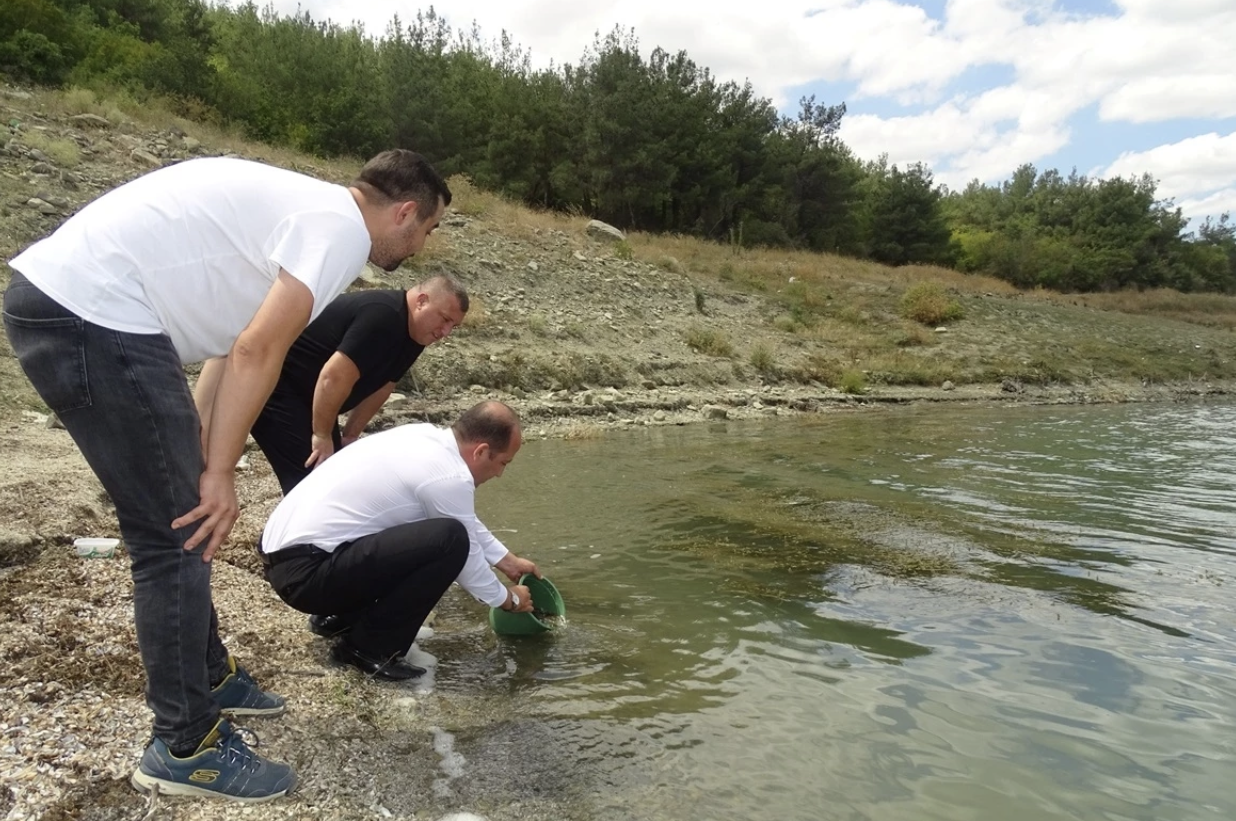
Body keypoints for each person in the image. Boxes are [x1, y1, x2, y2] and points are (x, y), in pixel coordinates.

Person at [2, 149, 450, 802]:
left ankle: (208, 673)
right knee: (179, 531)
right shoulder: (342, 232)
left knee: (184, 511)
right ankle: (186, 744)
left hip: (88, 306)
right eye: (428, 230)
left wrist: (208, 448)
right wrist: (218, 472)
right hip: (94, 313)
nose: (421, 244)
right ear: (404, 211)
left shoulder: (309, 211)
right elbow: (255, 350)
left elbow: (230, 341)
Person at [260, 400, 540, 681]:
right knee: (450, 541)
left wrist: (506, 561)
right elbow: (462, 547)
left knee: (444, 533)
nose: (500, 474)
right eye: (503, 462)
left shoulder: (423, 437)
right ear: (481, 451)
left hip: (284, 557)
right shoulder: (449, 477)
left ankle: (340, 619)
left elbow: (458, 515)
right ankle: (367, 650)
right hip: (306, 579)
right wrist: (508, 599)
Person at [240, 277, 468, 495]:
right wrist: (321, 435)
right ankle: (294, 534)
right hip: (274, 389)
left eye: (453, 327)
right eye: (445, 319)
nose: (445, 333)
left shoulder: (416, 334)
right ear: (422, 301)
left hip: (313, 400)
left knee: (337, 473)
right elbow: (333, 377)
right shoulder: (384, 316)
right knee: (311, 484)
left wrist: (349, 435)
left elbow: (384, 386)